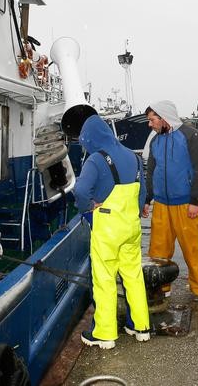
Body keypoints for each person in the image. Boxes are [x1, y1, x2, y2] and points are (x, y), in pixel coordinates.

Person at [73, 115, 151, 349]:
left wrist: (88, 208)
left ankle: (105, 334)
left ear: (90, 138)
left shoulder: (96, 160)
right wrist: (134, 212)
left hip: (108, 229)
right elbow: (142, 193)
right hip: (131, 228)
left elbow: (80, 191)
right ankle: (141, 327)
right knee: (133, 276)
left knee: (104, 280)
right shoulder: (134, 157)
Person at [142, 101, 198, 306]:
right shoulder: (155, 141)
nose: (150, 124)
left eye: (152, 120)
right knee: (158, 251)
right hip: (161, 206)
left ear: (164, 118)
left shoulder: (191, 136)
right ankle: (161, 288)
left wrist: (194, 200)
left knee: (194, 249)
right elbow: (151, 173)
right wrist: (147, 199)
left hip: (186, 205)